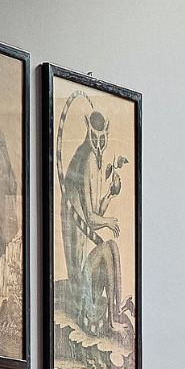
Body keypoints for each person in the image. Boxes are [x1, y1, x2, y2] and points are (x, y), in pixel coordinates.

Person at [58, 106, 123, 345]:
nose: (98, 143)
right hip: (80, 272)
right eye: (94, 138)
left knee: (112, 247)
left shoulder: (93, 161)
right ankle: (114, 316)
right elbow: (91, 218)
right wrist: (108, 221)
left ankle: (115, 313)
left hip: (86, 257)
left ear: (106, 133)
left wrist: (110, 196)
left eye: (102, 138)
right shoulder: (85, 161)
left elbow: (91, 219)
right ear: (88, 132)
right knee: (110, 247)